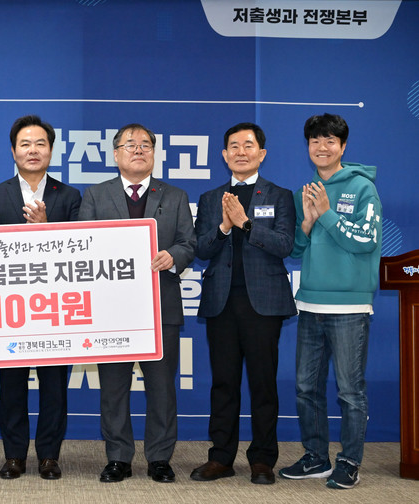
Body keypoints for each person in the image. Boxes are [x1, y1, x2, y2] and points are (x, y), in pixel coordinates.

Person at [78, 123, 195, 484]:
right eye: (130, 145)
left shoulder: (175, 196)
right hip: (112, 310)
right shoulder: (96, 195)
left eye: (146, 145)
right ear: (116, 154)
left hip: (161, 307)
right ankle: (118, 457)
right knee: (114, 388)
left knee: (162, 389)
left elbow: (189, 243)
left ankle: (159, 457)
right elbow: (83, 243)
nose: (139, 150)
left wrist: (173, 256)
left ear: (154, 154)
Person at [278, 113, 382, 489]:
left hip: (350, 307)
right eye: (315, 141)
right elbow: (295, 249)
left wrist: (327, 215)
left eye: (330, 141)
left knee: (350, 392)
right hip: (310, 304)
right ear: (308, 146)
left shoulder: (362, 187)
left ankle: (350, 461)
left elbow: (366, 239)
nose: (322, 147)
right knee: (306, 388)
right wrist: (307, 224)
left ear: (343, 146)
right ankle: (316, 457)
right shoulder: (304, 191)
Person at [191, 122, 296, 485]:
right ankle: (221, 457)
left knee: (263, 384)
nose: (240, 151)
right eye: (233, 146)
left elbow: (285, 244)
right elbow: (200, 249)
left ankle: (263, 460)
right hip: (222, 302)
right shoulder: (210, 198)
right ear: (224, 155)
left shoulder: (279, 196)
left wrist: (246, 224)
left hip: (262, 304)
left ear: (261, 153)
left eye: (248, 145)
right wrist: (224, 227)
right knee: (223, 383)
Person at [0, 115, 81, 480]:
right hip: (11, 308)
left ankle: (49, 455)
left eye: (40, 143)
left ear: (51, 150)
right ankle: (14, 455)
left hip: (55, 308)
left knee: (54, 386)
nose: (33, 150)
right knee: (11, 386)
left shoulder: (69, 196)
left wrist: (47, 229)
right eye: (25, 144)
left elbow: (80, 250)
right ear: (13, 151)